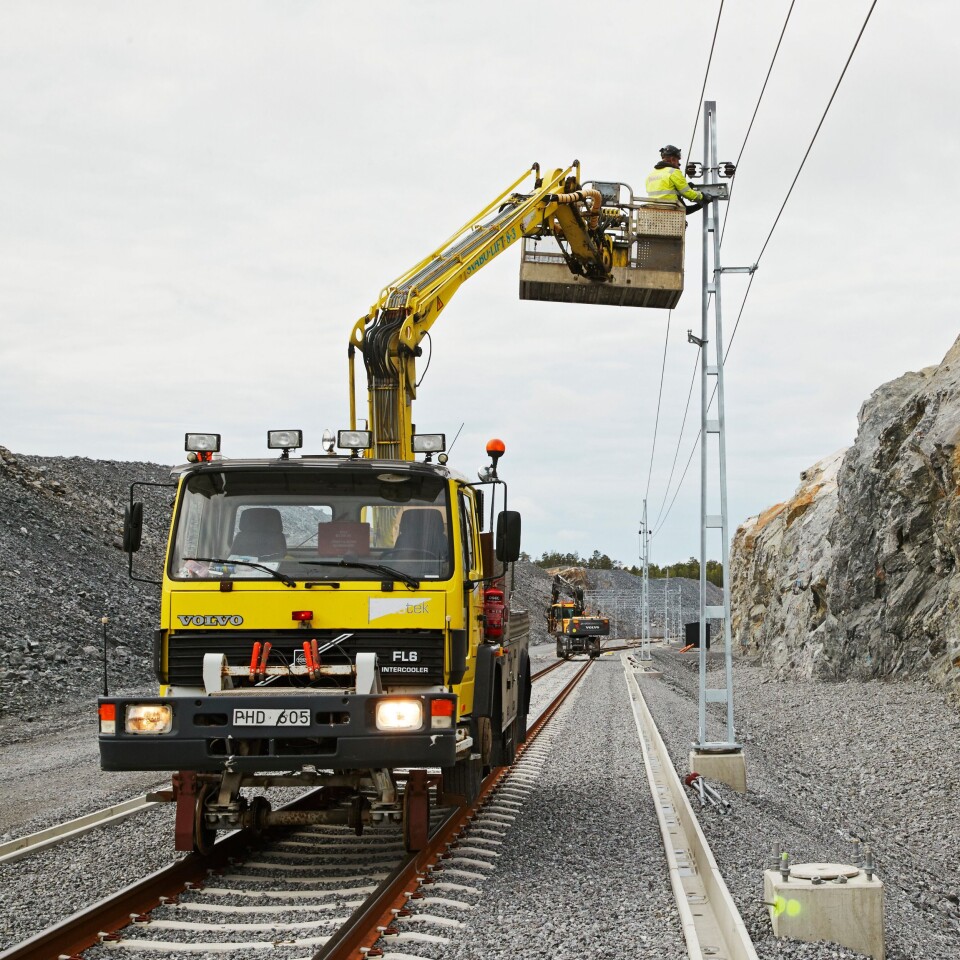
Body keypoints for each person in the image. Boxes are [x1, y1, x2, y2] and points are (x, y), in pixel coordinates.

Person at [646, 144, 708, 214]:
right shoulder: (673, 172)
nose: (678, 163)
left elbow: (665, 190)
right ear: (673, 159)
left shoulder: (651, 174)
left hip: (653, 211)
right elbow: (687, 193)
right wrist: (702, 196)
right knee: (684, 208)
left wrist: (681, 190)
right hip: (671, 210)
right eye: (678, 160)